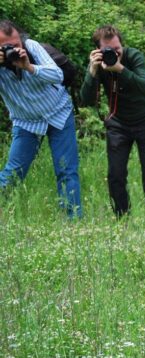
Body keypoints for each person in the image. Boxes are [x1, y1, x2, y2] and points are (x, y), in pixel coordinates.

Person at [0, 20, 82, 218]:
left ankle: (73, 222)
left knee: (66, 171)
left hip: (58, 113)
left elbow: (57, 74)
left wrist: (29, 66)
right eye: (6, 47)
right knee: (12, 174)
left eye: (16, 44)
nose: (14, 50)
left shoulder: (32, 47)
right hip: (26, 122)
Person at [80, 25, 145, 217]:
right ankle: (122, 218)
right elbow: (85, 100)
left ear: (122, 45)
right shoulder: (98, 64)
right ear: (98, 50)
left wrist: (119, 69)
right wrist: (92, 71)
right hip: (119, 124)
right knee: (115, 174)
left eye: (117, 49)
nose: (114, 54)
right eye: (109, 50)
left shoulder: (133, 56)